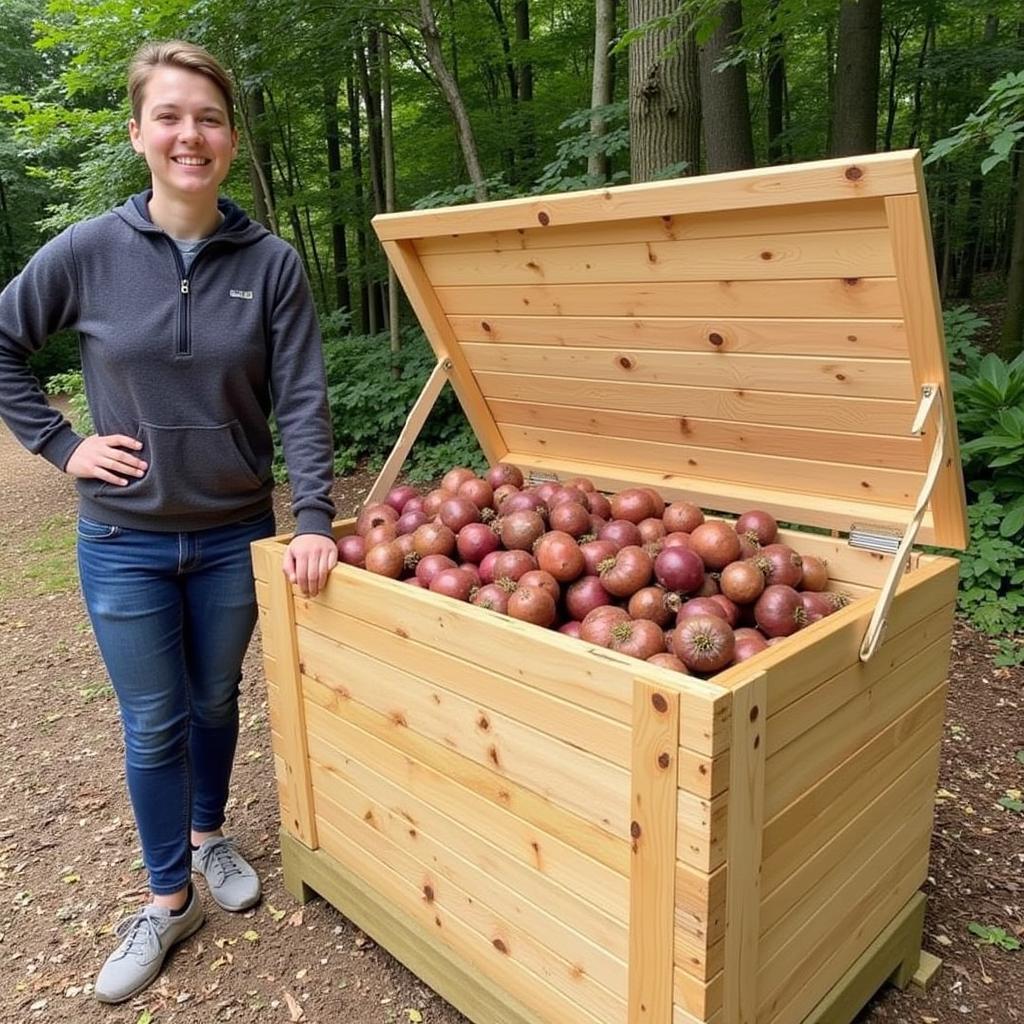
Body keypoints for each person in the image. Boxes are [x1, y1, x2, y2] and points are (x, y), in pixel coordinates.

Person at [0, 40, 339, 1002]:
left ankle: (208, 834)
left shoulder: (270, 263)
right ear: (140, 131)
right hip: (124, 541)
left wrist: (313, 515)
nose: (191, 134)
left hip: (235, 534)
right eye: (172, 115)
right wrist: (63, 446)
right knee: (153, 722)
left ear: (230, 139)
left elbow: (304, 399)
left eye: (210, 118)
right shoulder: (89, 252)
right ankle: (166, 897)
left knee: (217, 699)